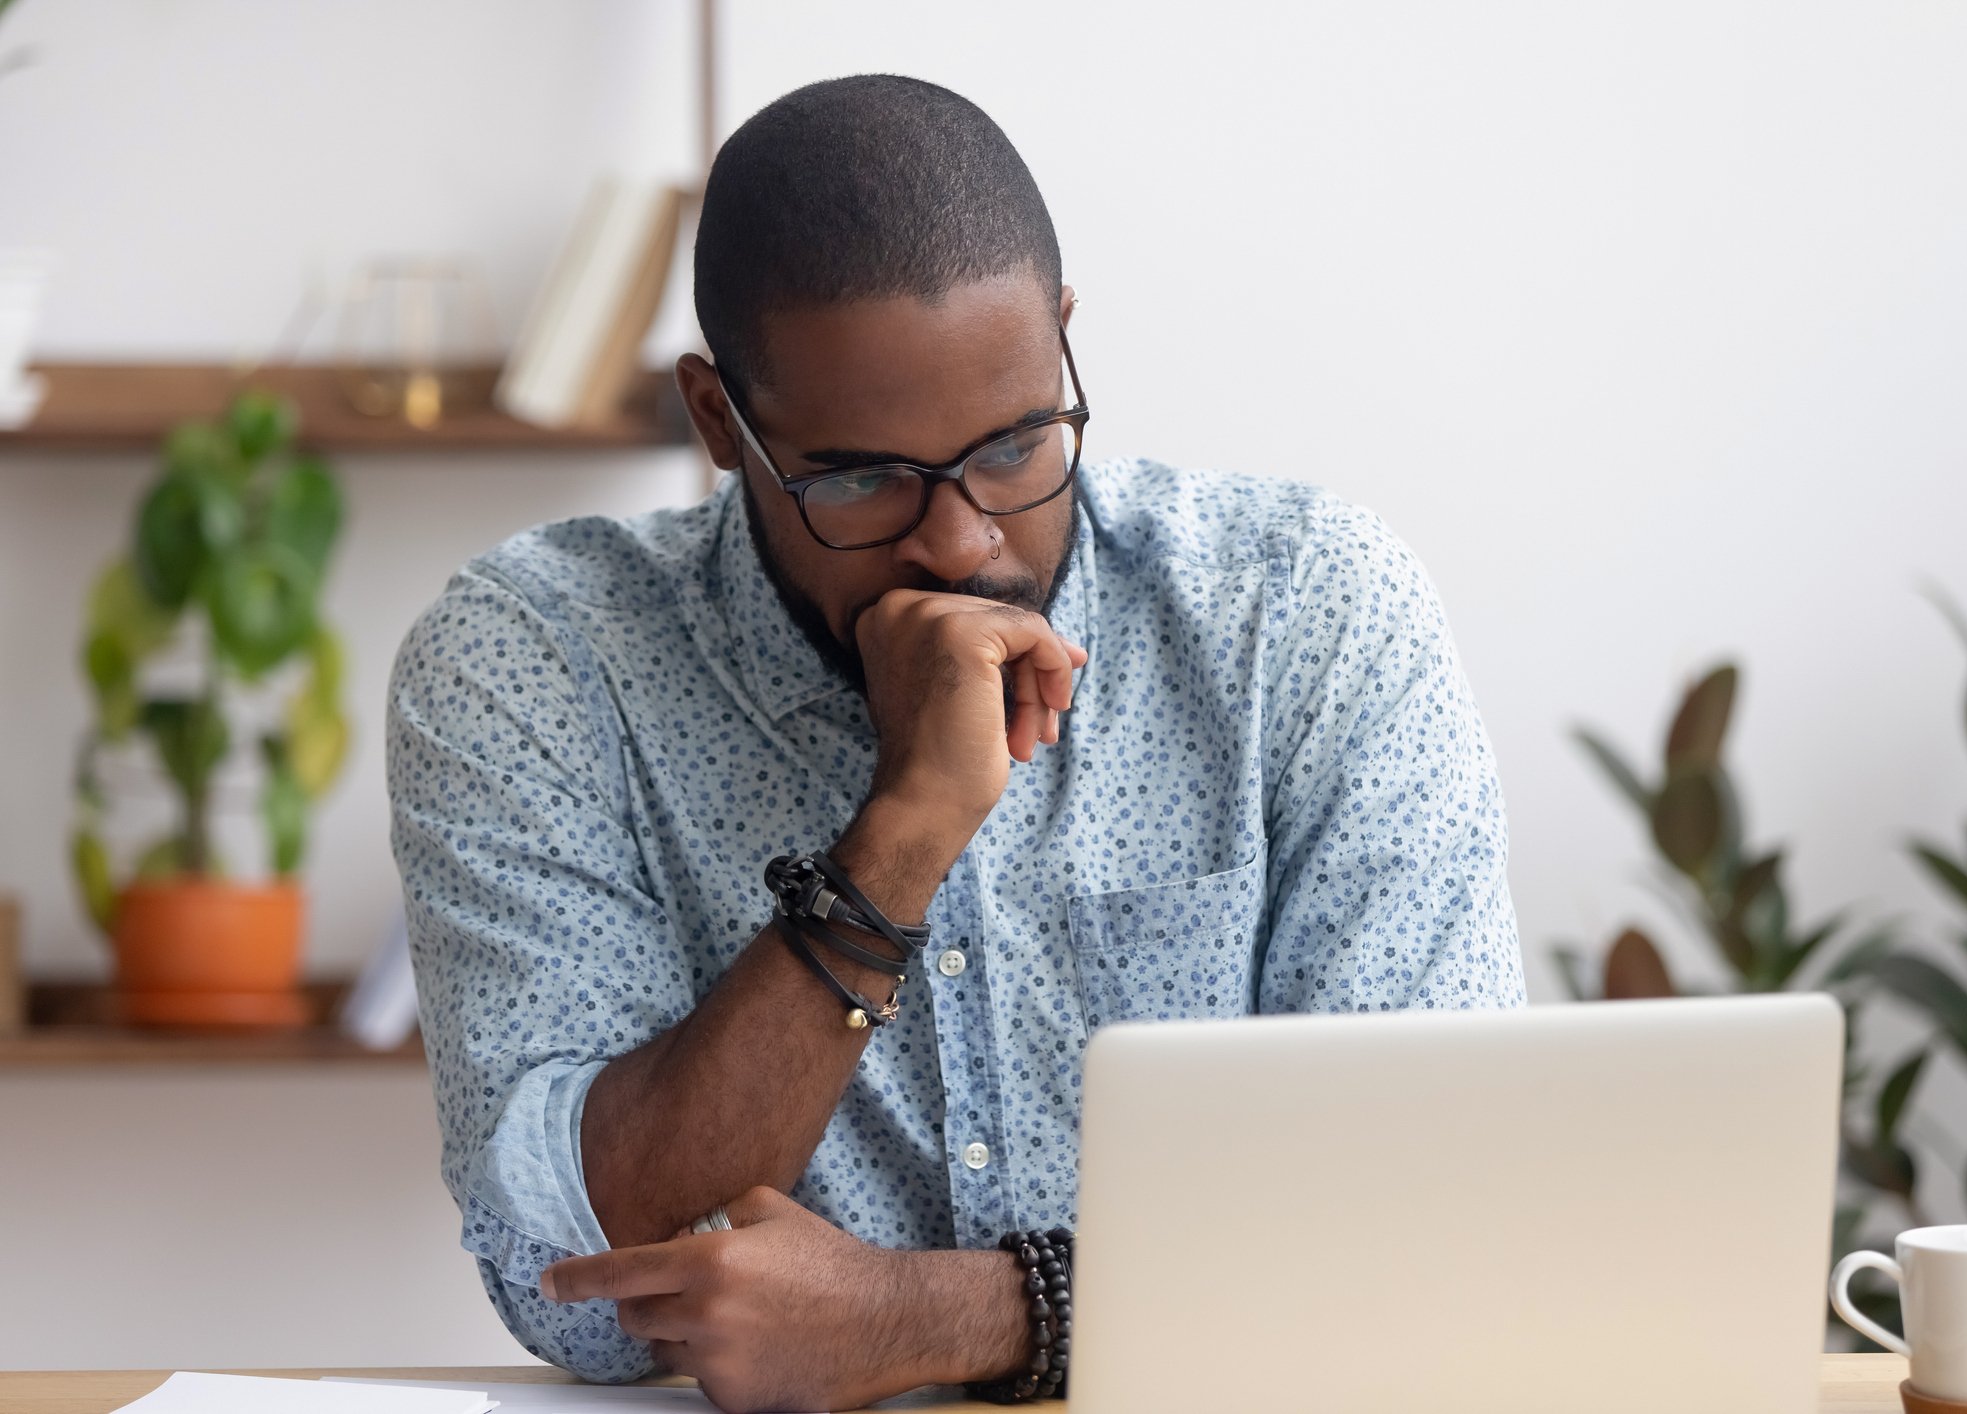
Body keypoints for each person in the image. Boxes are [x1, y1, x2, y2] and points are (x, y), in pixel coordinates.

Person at [386, 73, 1523, 1412]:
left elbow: (1435, 1217)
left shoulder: (1305, 611)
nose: (962, 540)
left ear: (1061, 342)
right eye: (860, 477)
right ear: (715, 423)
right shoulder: (542, 655)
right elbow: (578, 1286)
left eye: (1013, 444)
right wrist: (901, 831)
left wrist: (926, 1318)